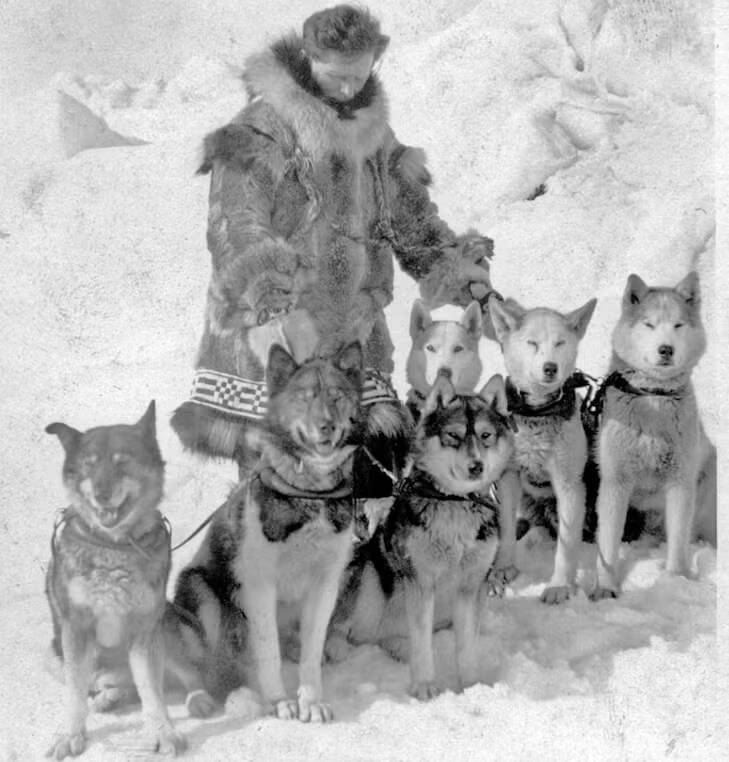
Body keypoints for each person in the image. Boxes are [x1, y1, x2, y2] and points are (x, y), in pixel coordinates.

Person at [171, 4, 496, 486]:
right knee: (276, 488)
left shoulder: (374, 134)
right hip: (276, 339)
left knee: (367, 477)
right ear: (307, 56)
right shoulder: (259, 130)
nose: (346, 88)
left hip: (353, 336)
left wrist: (453, 270)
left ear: (375, 59)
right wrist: (273, 302)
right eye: (333, 75)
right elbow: (235, 223)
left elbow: (410, 217)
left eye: (357, 75)